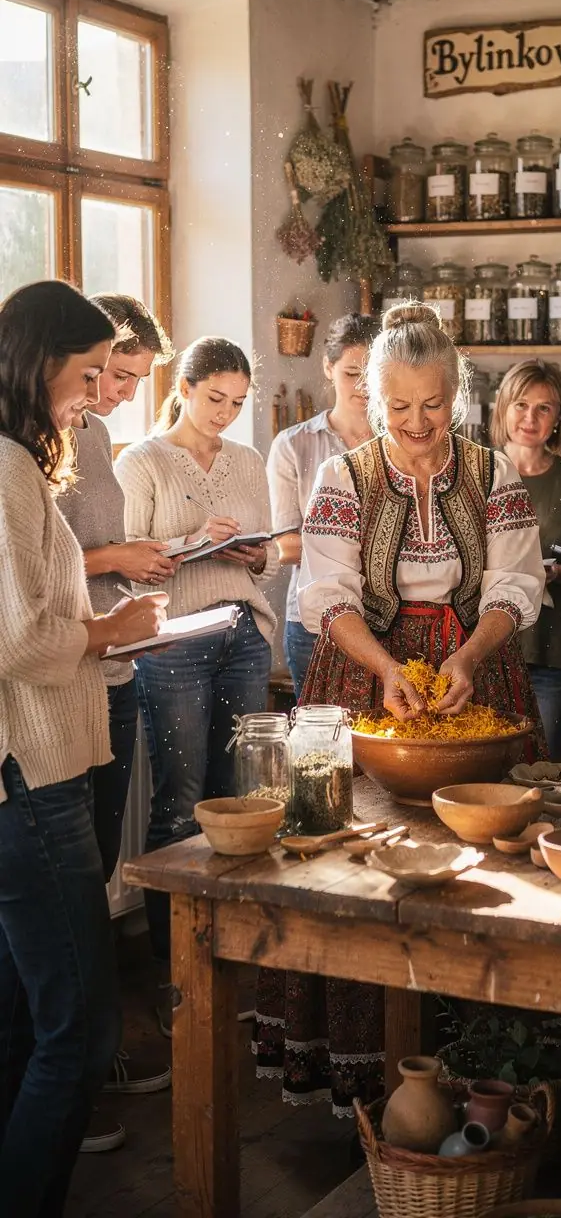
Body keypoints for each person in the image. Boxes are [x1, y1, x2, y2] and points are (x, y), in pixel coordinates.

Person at [254, 302, 548, 1113]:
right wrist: (387, 667)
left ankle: (485, 1061)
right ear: (372, 399)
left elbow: (514, 586)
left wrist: (463, 657)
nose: (417, 423)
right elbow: (328, 594)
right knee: (354, 863)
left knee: (481, 860)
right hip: (361, 678)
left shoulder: (496, 474)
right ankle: (362, 1064)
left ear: (456, 392)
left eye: (433, 404)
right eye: (398, 406)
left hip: (474, 673)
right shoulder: (339, 477)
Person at [0, 280, 166, 1218]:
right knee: (80, 1028)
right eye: (89, 372)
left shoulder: (20, 461)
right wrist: (111, 630)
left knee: (23, 1016)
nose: (95, 392)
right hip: (34, 775)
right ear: (39, 361)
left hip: (35, 769)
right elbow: (20, 641)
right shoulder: (6, 469)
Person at [115, 337, 276, 1031]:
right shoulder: (141, 460)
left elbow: (264, 557)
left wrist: (254, 553)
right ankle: (173, 963)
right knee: (180, 801)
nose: (226, 415)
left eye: (239, 403)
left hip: (243, 632)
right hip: (175, 638)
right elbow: (130, 564)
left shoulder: (248, 460)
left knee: (238, 795)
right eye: (216, 399)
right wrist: (192, 541)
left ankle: (234, 950)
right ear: (183, 387)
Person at [57, 293, 176, 1152]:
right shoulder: (37, 441)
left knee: (95, 873)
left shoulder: (95, 436)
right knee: (65, 894)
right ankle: (69, 1077)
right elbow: (43, 571)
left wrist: (129, 583)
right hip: (68, 676)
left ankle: (88, 1062)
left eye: (130, 378)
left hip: (115, 665)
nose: (120, 393)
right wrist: (118, 561)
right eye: (110, 375)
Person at [268, 312, 378, 699]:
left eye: (373, 373)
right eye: (351, 373)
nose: (364, 386)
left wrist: (335, 544)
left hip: (389, 618)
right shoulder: (293, 445)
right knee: (321, 742)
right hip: (314, 621)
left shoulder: (405, 442)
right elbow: (285, 545)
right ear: (328, 368)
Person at [491, 359, 561, 760]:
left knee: (544, 765)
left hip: (552, 646)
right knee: (489, 765)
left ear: (559, 417)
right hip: (488, 648)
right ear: (503, 408)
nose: (530, 417)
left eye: (544, 408)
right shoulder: (481, 471)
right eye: (521, 405)